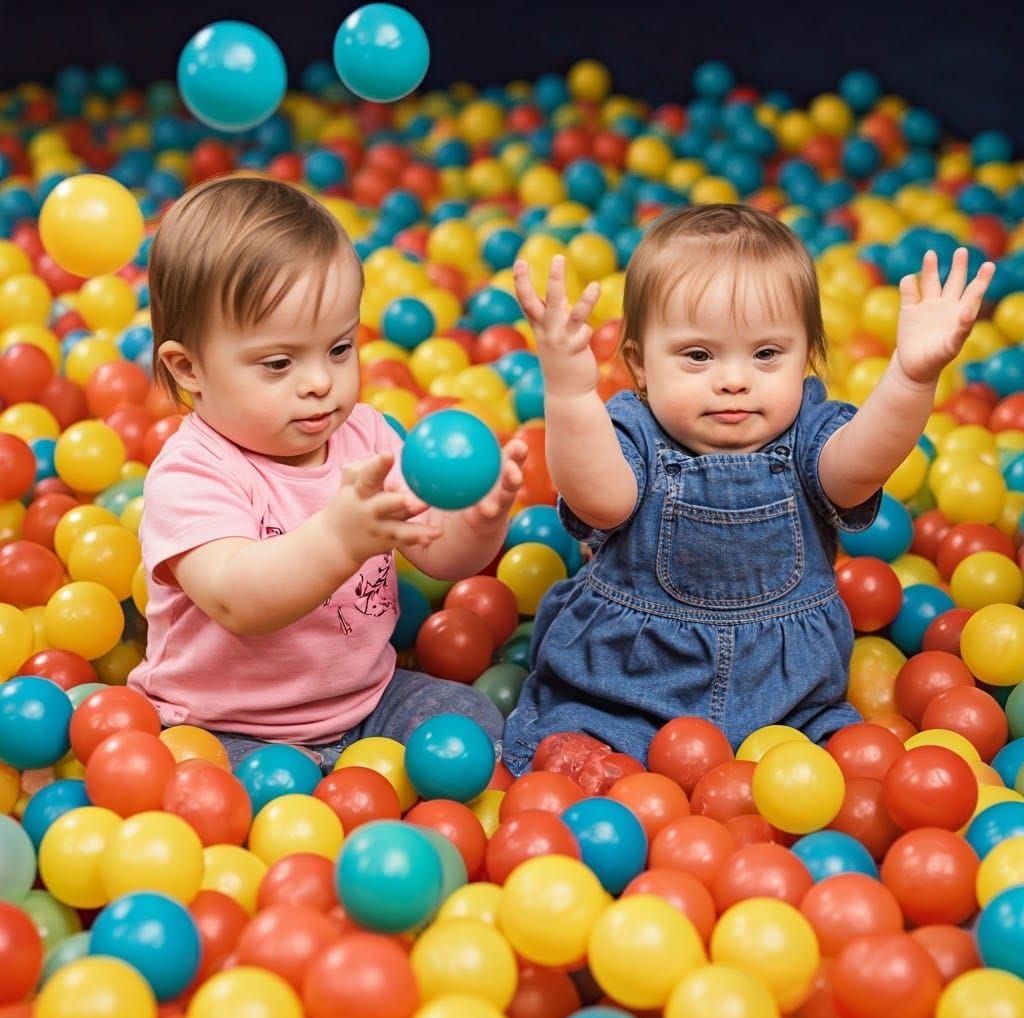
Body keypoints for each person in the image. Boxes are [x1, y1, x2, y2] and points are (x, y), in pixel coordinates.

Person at [502, 203, 994, 776]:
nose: (734, 379)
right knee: (582, 731)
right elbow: (600, 499)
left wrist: (911, 377)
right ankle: (580, 748)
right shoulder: (633, 432)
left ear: (805, 356)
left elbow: (860, 466)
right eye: (698, 355)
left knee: (843, 760)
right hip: (629, 683)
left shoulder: (809, 433)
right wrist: (569, 391)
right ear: (639, 366)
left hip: (787, 702)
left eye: (766, 354)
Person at [127, 176, 524, 769]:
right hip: (224, 727)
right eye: (280, 362)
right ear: (189, 368)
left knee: (472, 725)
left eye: (339, 349)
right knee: (224, 794)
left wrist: (480, 520)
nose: (320, 382)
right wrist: (338, 539)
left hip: (367, 702)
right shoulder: (191, 474)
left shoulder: (367, 437)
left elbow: (442, 557)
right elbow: (240, 600)